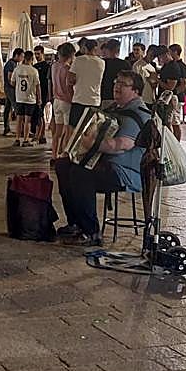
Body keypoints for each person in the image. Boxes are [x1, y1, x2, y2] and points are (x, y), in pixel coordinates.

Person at [53, 71, 152, 247]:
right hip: (104, 165)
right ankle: (76, 223)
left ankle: (91, 232)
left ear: (136, 91)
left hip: (124, 172)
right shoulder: (115, 109)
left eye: (123, 84)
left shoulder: (138, 115)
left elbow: (121, 145)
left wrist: (91, 143)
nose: (117, 86)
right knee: (63, 165)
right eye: (116, 81)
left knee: (80, 173)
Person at [69, 38, 104, 131]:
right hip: (95, 101)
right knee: (91, 131)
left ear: (85, 48)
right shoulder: (102, 62)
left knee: (73, 131)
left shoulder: (78, 60)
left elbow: (70, 80)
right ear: (96, 48)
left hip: (79, 99)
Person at [50, 42, 76, 153]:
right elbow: (68, 87)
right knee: (67, 131)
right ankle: (63, 155)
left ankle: (54, 155)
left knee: (57, 132)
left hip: (56, 101)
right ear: (71, 55)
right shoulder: (68, 69)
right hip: (66, 101)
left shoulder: (54, 66)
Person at [11, 49, 40, 147]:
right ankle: (26, 140)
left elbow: (12, 82)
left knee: (19, 120)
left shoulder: (17, 69)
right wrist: (39, 99)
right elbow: (37, 86)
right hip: (30, 99)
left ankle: (17, 139)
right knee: (27, 121)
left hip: (19, 98)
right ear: (32, 59)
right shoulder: (34, 71)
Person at [97, 39, 131, 109]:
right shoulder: (124, 64)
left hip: (102, 96)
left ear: (107, 49)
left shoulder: (100, 63)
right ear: (117, 49)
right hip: (121, 96)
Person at [158, 44, 186, 110]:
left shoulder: (179, 66)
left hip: (174, 97)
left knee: (172, 117)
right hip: (167, 97)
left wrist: (174, 93)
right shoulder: (167, 65)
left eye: (170, 51)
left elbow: (184, 83)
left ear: (175, 52)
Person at [32, 46, 52, 143]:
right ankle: (38, 134)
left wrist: (49, 94)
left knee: (41, 115)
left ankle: (41, 135)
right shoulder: (34, 67)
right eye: (35, 54)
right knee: (37, 114)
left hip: (44, 93)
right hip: (35, 94)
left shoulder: (47, 67)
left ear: (43, 53)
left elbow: (49, 82)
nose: (36, 56)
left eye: (38, 54)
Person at [2, 49, 21, 135]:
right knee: (16, 108)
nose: (22, 58)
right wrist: (15, 86)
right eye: (21, 56)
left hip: (8, 88)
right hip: (10, 88)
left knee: (8, 108)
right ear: (16, 55)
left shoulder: (12, 63)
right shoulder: (11, 64)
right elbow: (10, 77)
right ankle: (20, 129)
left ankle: (7, 129)